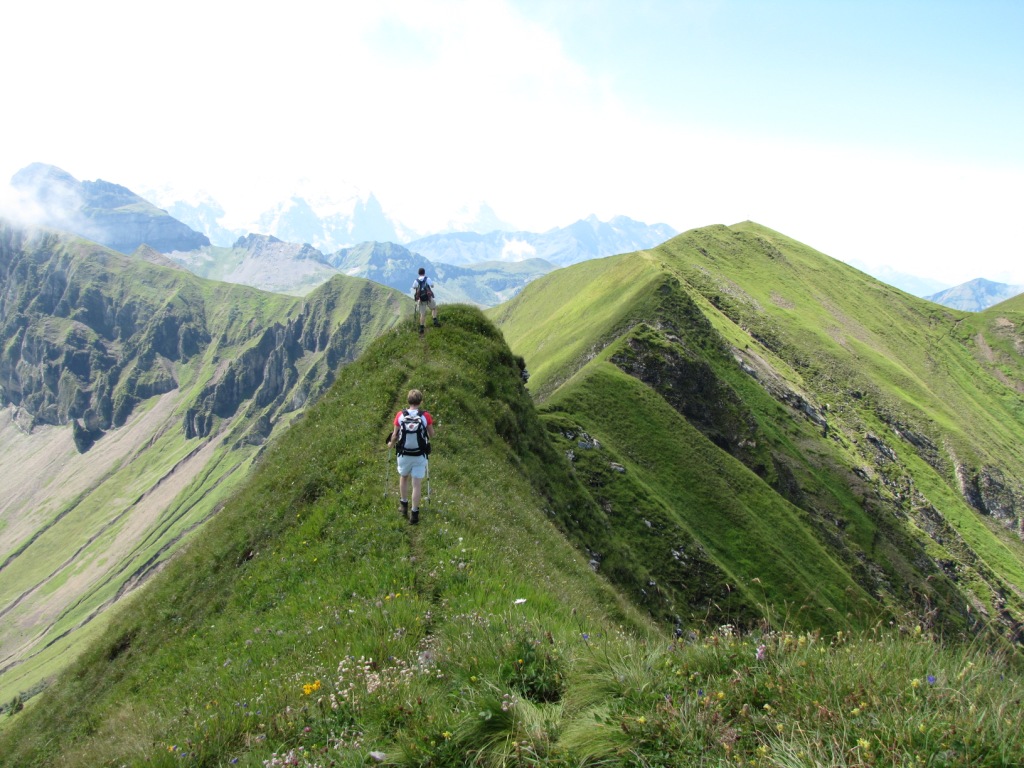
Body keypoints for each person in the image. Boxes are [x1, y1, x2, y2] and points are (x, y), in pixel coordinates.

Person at [386, 389, 435, 524]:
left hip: (404, 453)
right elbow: (432, 434)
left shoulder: (400, 415)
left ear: (408, 400)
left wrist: (390, 444)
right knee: (416, 484)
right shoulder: (425, 416)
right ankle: (414, 514)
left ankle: (403, 506)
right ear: (420, 401)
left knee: (404, 477)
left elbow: (395, 435)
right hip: (419, 454)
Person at [412, 267, 439, 335]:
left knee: (422, 314)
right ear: (424, 272)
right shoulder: (427, 279)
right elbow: (432, 286)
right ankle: (435, 320)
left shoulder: (416, 281)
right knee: (434, 308)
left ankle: (421, 328)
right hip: (428, 298)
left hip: (421, 300)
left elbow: (414, 287)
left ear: (418, 273)